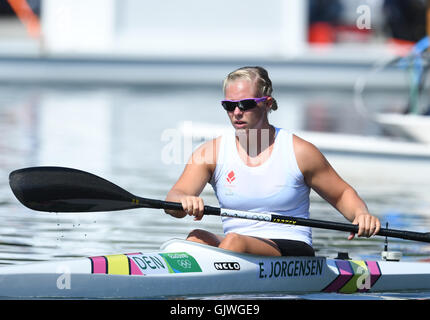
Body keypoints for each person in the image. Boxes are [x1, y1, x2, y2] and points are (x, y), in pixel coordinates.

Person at [165, 66, 381, 257]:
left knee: (234, 241)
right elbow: (174, 199)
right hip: (236, 248)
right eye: (229, 106)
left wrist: (361, 214)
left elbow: (342, 193)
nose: (237, 112)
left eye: (245, 104)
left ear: (267, 104)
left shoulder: (299, 151)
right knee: (194, 239)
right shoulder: (210, 153)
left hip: (292, 247)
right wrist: (183, 202)